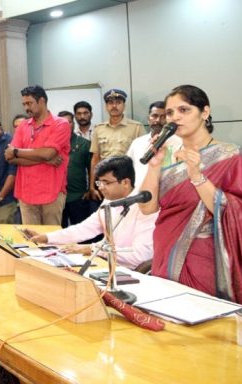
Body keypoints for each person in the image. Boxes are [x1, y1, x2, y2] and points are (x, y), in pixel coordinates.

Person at [139, 85, 242, 302]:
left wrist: (196, 175)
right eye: (170, 113)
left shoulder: (230, 156)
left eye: (184, 110)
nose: (175, 117)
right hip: (165, 249)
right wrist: (154, 166)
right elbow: (147, 207)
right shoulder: (167, 154)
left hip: (204, 257)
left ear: (205, 112)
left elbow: (235, 210)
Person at [26, 156, 157, 269]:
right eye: (99, 182)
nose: (101, 188)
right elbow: (83, 229)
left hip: (130, 272)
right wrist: (46, 238)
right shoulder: (109, 201)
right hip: (106, 264)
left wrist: (92, 249)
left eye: (106, 182)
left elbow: (140, 256)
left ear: (125, 182)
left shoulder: (145, 208)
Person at [6, 85, 70, 225]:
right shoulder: (23, 126)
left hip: (52, 191)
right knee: (30, 236)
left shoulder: (60, 124)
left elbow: (48, 153)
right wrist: (44, 160)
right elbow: (9, 158)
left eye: (29, 103)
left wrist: (16, 151)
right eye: (24, 104)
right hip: (26, 192)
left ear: (42, 101)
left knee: (51, 236)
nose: (26, 108)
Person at [89, 89, 143, 201]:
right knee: (108, 208)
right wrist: (92, 186)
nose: (114, 106)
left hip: (128, 180)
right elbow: (95, 159)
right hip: (106, 181)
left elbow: (143, 156)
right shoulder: (99, 129)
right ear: (106, 106)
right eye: (110, 103)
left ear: (124, 105)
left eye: (118, 102)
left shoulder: (136, 127)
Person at [126, 100, 182, 190]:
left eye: (163, 117)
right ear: (148, 119)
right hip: (140, 192)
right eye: (154, 116)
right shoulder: (137, 143)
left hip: (169, 192)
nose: (158, 120)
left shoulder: (179, 143)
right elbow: (128, 169)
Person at [59, 109, 93, 227]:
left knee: (81, 231)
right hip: (57, 197)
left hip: (78, 196)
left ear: (73, 124)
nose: (65, 125)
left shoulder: (84, 144)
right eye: (62, 122)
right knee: (59, 231)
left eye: (69, 122)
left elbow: (92, 168)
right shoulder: (52, 144)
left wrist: (90, 189)